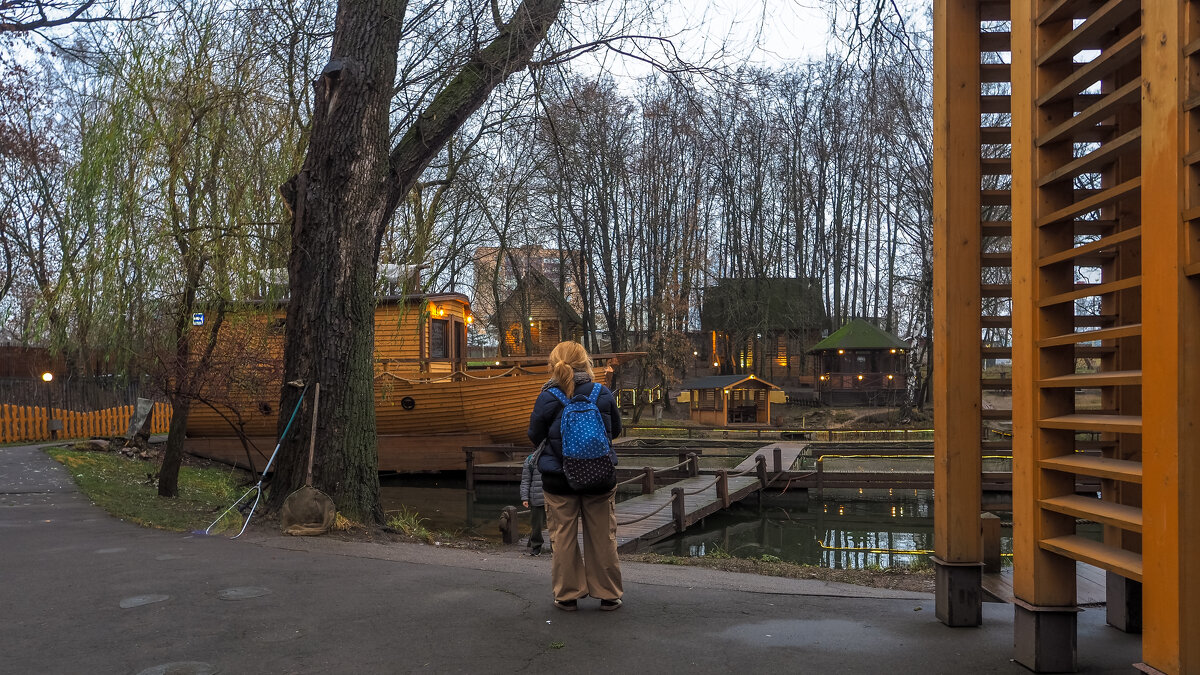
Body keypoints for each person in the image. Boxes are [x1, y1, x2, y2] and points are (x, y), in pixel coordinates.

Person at [527, 341, 623, 612]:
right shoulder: (601, 393)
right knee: (603, 536)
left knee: (563, 537)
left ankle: (567, 595)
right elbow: (614, 431)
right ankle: (608, 594)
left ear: (554, 364)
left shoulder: (548, 396)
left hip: (559, 480)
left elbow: (535, 435)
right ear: (586, 363)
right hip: (599, 476)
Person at [519, 451, 545, 556]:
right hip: (536, 498)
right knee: (536, 526)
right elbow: (525, 480)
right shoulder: (531, 460)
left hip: (554, 497)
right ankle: (536, 546)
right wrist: (525, 497)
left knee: (556, 525)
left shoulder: (556, 456)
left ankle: (556, 547)